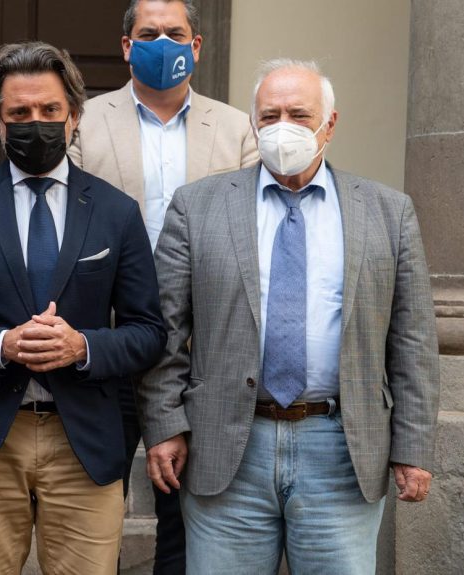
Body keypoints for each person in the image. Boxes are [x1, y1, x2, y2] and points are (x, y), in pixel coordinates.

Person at [138, 59, 439, 574]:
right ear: (253, 124)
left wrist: (413, 445)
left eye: (299, 114)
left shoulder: (388, 212)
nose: (283, 127)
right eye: (270, 114)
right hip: (228, 445)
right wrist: (165, 423)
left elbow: (412, 340)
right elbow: (166, 330)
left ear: (330, 124)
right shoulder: (196, 208)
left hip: (339, 448)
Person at [0, 42, 167, 574]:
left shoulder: (115, 212)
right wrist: (1, 344)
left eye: (49, 111)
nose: (36, 124)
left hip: (85, 444)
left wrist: (82, 346)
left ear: (74, 117)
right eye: (19, 113)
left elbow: (148, 332)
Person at [68, 2, 257, 570]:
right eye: (148, 34)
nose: (163, 43)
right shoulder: (85, 120)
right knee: (96, 503)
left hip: (200, 351)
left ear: (197, 46)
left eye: (176, 34)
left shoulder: (235, 128)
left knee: (188, 512)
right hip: (108, 340)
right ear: (126, 46)